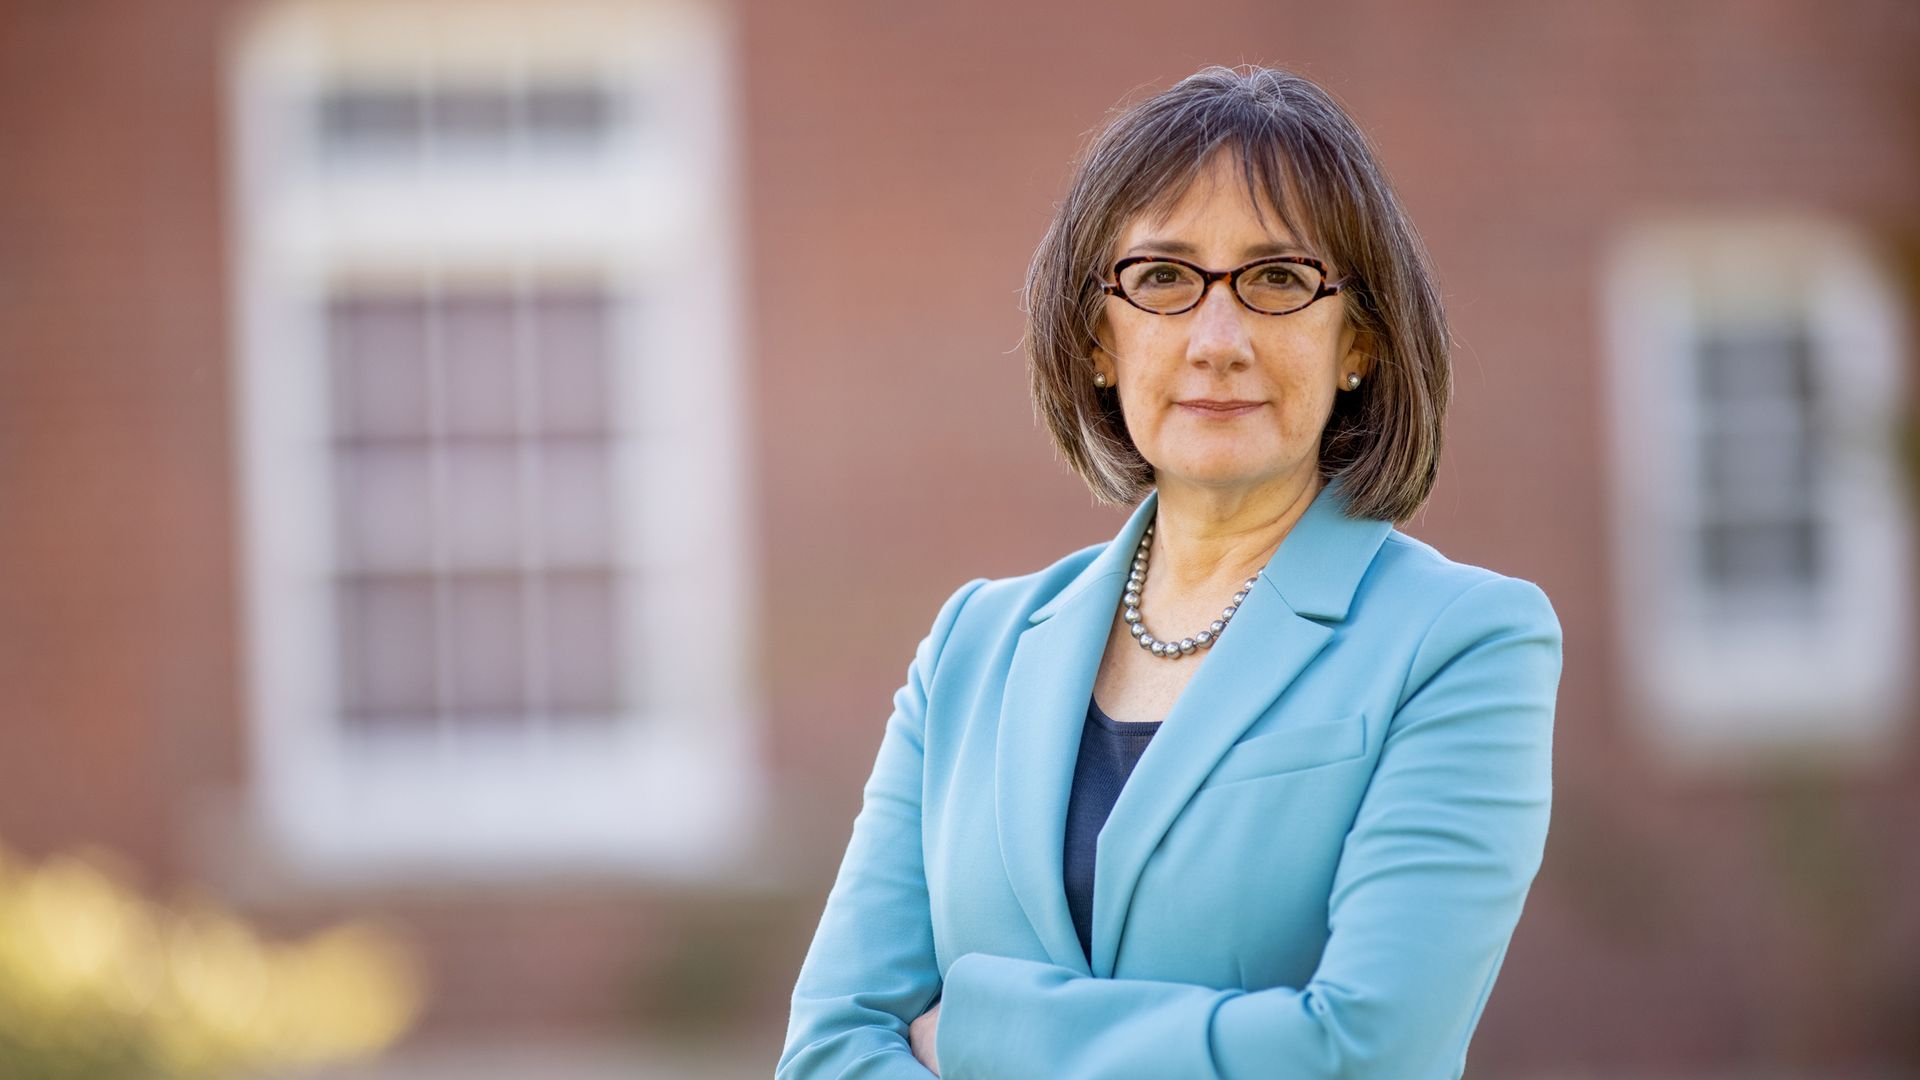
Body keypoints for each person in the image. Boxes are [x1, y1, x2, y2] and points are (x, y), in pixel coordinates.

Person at [777, 64, 1563, 1080]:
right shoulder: (971, 649)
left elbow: (1364, 1052)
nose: (1218, 340)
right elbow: (829, 1051)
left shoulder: (1462, 643)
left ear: (1357, 342)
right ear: (1099, 340)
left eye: (1279, 280)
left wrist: (981, 1032)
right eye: (1163, 280)